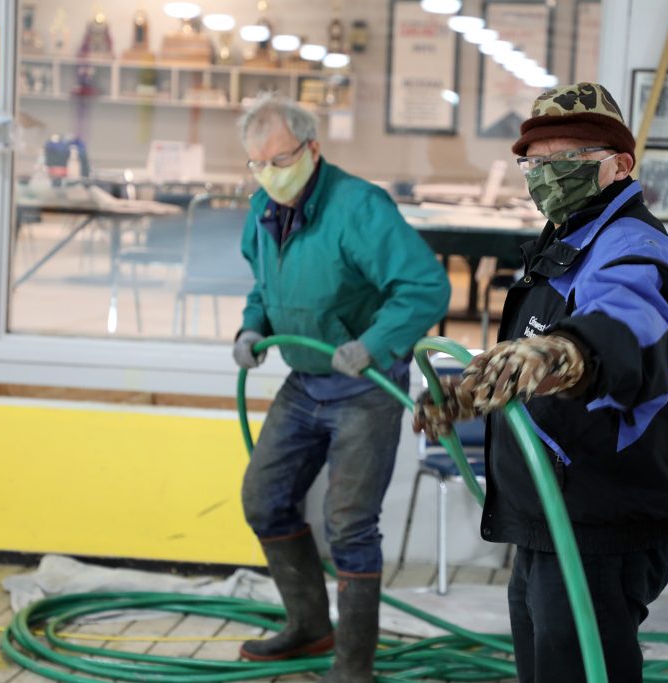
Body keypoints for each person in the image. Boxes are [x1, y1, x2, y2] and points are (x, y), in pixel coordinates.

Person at [413, 82, 668, 683]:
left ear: (619, 165)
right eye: (536, 163)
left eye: (567, 162)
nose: (547, 176)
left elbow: (621, 327)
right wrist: (477, 388)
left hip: (598, 525)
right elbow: (538, 347)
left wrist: (564, 353)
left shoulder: (633, 250)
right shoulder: (569, 240)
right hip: (551, 517)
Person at [233, 95, 451, 682]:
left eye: (278, 160)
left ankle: (354, 667)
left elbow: (425, 286)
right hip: (305, 381)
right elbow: (264, 283)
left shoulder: (358, 207)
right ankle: (310, 626)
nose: (268, 175)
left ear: (311, 149)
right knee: (264, 498)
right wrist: (254, 326)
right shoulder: (263, 208)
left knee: (350, 525)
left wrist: (375, 343)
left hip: (364, 386)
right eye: (256, 164)